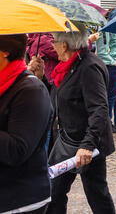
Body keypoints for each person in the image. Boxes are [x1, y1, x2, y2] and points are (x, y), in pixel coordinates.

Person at [46, 25, 116, 214]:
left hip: (87, 145)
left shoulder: (89, 66)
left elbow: (99, 109)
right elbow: (59, 96)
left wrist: (88, 144)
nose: (52, 45)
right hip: (67, 142)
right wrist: (38, 77)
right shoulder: (65, 67)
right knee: (54, 192)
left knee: (97, 194)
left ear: (65, 45)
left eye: (54, 41)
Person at [0, 34, 53, 214]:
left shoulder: (31, 91)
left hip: (19, 199)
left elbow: (17, 150)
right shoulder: (4, 82)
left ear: (5, 51)